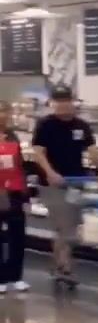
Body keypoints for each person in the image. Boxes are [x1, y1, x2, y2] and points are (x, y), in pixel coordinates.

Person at [32, 85, 98, 281]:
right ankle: (63, 266)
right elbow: (39, 153)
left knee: (71, 225)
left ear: (72, 101)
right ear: (53, 103)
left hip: (76, 182)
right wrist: (50, 173)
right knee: (63, 225)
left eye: (66, 100)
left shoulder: (81, 126)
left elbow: (93, 150)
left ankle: (62, 264)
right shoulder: (45, 125)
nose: (63, 104)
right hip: (52, 184)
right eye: (58, 101)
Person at [0, 101, 29, 294]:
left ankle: (16, 276)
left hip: (15, 192)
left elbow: (20, 166)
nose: (3, 115)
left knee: (17, 234)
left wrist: (26, 195)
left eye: (5, 112)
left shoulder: (13, 136)